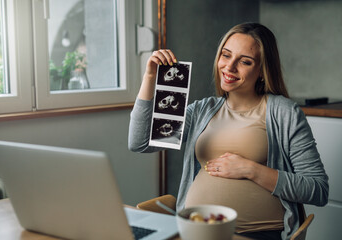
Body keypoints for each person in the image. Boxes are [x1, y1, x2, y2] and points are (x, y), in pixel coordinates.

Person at [128, 22, 329, 240]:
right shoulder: (202, 110)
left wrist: (250, 169)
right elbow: (140, 143)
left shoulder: (283, 112)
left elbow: (317, 189)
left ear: (262, 70)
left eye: (245, 61)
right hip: (195, 231)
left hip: (253, 235)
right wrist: (149, 78)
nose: (229, 67)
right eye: (226, 55)